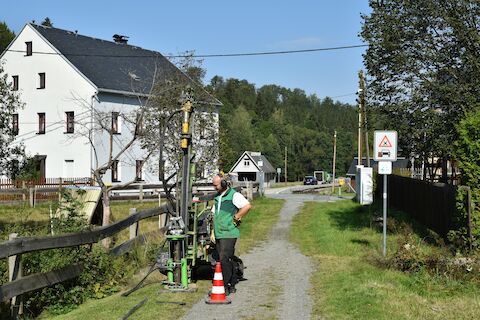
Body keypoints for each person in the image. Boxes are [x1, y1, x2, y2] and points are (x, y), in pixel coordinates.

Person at [211, 174, 252, 294]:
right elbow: (215, 214)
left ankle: (224, 286)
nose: (215, 188)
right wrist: (213, 231)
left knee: (224, 259)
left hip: (228, 232)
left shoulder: (234, 195)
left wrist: (237, 217)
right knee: (228, 259)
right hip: (219, 233)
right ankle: (232, 282)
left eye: (216, 185)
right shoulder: (218, 197)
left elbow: (247, 206)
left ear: (224, 183)